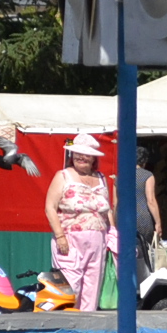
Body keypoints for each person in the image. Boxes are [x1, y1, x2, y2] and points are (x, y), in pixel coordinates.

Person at [43, 132, 113, 312]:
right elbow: (50, 207)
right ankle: (67, 327)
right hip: (70, 240)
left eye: (86, 154)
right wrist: (60, 236)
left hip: (98, 240)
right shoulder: (63, 176)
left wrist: (112, 234)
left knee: (92, 286)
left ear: (93, 158)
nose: (82, 157)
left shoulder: (101, 178)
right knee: (71, 286)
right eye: (78, 153)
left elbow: (107, 209)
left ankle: (87, 329)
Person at [136, 147, 163, 282]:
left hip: (123, 218)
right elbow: (151, 200)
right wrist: (158, 223)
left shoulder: (120, 175)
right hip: (142, 218)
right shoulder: (147, 175)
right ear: (144, 161)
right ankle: (142, 281)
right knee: (143, 252)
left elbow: (116, 203)